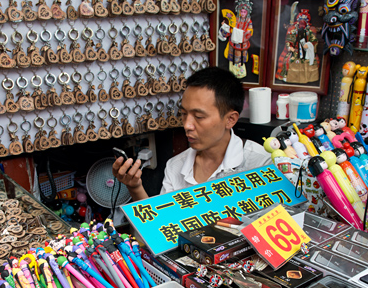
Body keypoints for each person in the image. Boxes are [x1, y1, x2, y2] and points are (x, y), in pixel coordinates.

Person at [112, 67, 271, 201]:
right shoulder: (176, 166)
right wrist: (135, 187)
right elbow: (164, 224)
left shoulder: (262, 164)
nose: (187, 125)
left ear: (230, 119)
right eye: (183, 114)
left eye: (199, 117)